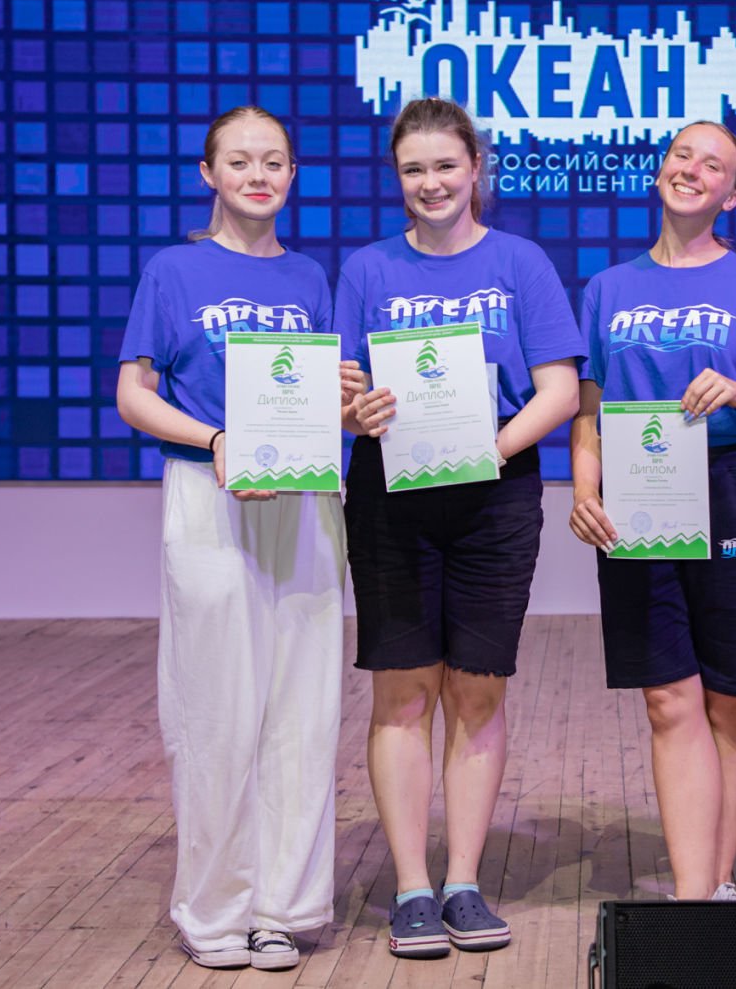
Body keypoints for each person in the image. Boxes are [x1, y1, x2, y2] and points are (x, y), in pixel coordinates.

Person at [115, 106, 365, 970]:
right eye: (241, 161)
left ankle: (283, 906)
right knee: (216, 707)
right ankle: (214, 907)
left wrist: (348, 398)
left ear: (293, 174)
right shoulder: (173, 270)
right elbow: (134, 393)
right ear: (208, 173)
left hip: (304, 498)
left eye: (274, 161)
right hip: (210, 494)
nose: (259, 175)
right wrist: (217, 440)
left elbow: (315, 401)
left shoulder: (309, 276)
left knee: (303, 708)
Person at [337, 96, 582, 958]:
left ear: (475, 168)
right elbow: (346, 386)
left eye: (446, 165)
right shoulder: (366, 269)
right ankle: (412, 886)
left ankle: (465, 882)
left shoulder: (521, 263)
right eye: (414, 169)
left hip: (495, 495)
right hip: (391, 493)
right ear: (397, 177)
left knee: (477, 692)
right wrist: (355, 409)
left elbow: (559, 389)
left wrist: (488, 451)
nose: (431, 182)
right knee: (402, 692)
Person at [569, 121, 736, 902]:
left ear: (731, 195)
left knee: (727, 702)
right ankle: (692, 895)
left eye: (713, 164)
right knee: (668, 698)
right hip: (639, 495)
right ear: (659, 171)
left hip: (732, 488)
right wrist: (585, 489)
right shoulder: (607, 289)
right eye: (681, 155)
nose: (692, 169)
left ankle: (715, 884)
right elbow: (590, 410)